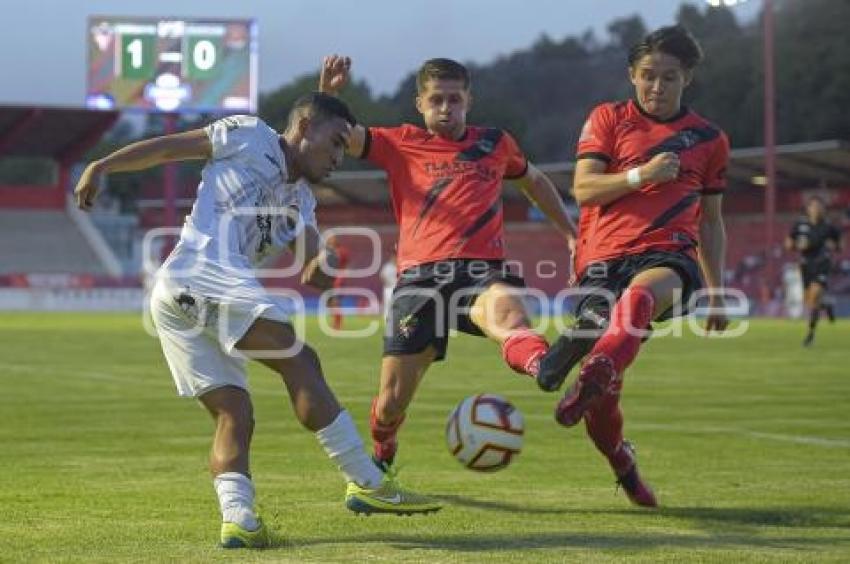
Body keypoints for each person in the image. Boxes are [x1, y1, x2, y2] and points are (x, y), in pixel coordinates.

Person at [73, 93, 440, 549]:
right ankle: (367, 481)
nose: (339, 158)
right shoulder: (247, 135)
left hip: (177, 294)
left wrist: (322, 266)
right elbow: (169, 148)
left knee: (235, 414)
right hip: (201, 271)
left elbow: (314, 265)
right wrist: (101, 165)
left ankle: (238, 520)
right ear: (304, 127)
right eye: (336, 144)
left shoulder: (301, 201)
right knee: (300, 360)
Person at [319, 56, 577, 490]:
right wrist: (329, 94)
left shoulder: (496, 144)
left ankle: (543, 365)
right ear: (420, 103)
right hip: (419, 281)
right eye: (436, 99)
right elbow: (335, 134)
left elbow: (533, 181)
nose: (446, 108)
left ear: (468, 101)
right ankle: (383, 448)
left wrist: (570, 233)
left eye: (454, 99)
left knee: (511, 317)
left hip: (480, 273)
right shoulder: (399, 143)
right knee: (390, 404)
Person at [536, 25, 731, 507]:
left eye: (669, 78)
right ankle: (620, 459)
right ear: (631, 75)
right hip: (602, 259)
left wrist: (716, 289)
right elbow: (583, 189)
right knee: (603, 406)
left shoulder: (709, 139)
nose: (657, 87)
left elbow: (711, 222)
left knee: (640, 298)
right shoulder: (608, 119)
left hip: (668, 255)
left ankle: (596, 361)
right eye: (648, 76)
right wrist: (644, 174)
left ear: (687, 78)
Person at [785, 196, 842, 346]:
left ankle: (810, 334)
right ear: (808, 208)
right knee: (810, 302)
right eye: (813, 206)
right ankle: (827, 305)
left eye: (819, 206)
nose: (816, 209)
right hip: (805, 265)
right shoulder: (800, 224)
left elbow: (840, 244)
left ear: (823, 209)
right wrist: (797, 245)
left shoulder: (829, 226)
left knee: (815, 294)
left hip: (822, 264)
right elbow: (789, 243)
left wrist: (834, 246)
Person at [324, 232, 351, 330]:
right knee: (329, 303)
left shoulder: (341, 251)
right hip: (329, 279)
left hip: (338, 280)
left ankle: (337, 324)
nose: (330, 240)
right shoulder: (326, 251)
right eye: (329, 238)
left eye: (332, 238)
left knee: (335, 302)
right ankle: (335, 321)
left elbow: (343, 263)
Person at [380, 250, 398, 319]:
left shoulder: (399, 266)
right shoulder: (387, 266)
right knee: (387, 307)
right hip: (389, 289)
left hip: (397, 289)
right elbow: (382, 277)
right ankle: (386, 322)